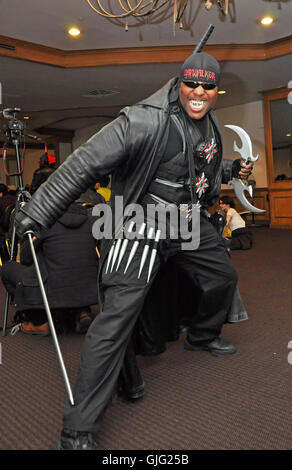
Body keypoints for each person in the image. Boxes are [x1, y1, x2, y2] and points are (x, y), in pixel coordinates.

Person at [14, 51, 253, 450]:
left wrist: (231, 169)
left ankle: (201, 335)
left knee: (222, 277)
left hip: (187, 224)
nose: (198, 92)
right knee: (116, 320)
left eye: (207, 86)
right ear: (180, 83)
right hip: (140, 223)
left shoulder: (209, 124)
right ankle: (79, 428)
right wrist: (36, 212)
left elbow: (196, 166)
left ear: (216, 89)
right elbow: (83, 164)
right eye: (191, 83)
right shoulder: (143, 120)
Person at [1, 189, 101, 335]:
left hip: (55, 289)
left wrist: (30, 239)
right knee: (70, 263)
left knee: (7, 269)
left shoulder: (44, 224)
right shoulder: (91, 220)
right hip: (90, 290)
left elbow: (26, 259)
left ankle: (37, 318)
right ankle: (81, 312)